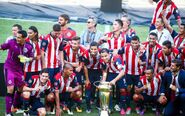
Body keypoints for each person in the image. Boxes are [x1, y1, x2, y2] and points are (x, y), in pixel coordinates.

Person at [0, 30, 35, 116]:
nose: (17, 39)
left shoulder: (29, 46)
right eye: (16, 37)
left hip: (19, 70)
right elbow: (1, 47)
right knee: (10, 89)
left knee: (20, 89)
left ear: (24, 38)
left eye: (19, 37)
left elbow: (32, 57)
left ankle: (14, 106)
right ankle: (7, 113)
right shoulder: (11, 42)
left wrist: (27, 59)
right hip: (9, 68)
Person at [118, 35, 146, 114]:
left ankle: (138, 107)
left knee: (138, 91)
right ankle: (128, 107)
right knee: (128, 90)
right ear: (130, 43)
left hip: (138, 74)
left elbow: (145, 62)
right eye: (132, 43)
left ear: (138, 43)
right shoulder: (126, 47)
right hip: (128, 73)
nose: (134, 45)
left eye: (136, 43)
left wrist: (141, 62)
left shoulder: (142, 50)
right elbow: (118, 53)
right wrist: (121, 63)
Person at [62, 36, 86, 112]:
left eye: (75, 44)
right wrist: (73, 64)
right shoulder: (66, 49)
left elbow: (81, 63)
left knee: (79, 87)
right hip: (68, 69)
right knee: (66, 85)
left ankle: (78, 104)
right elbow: (64, 61)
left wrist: (79, 65)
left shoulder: (83, 50)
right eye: (72, 43)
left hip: (78, 71)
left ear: (79, 44)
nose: (73, 45)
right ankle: (65, 102)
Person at [100, 48, 127, 115]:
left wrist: (114, 80)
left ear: (109, 54)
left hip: (120, 73)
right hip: (111, 73)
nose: (104, 58)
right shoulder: (102, 60)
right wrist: (103, 81)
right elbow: (105, 71)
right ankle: (109, 108)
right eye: (102, 56)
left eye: (106, 56)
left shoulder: (116, 58)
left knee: (122, 90)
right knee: (107, 89)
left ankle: (122, 107)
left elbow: (123, 72)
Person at [82, 41, 102, 113]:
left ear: (98, 49)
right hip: (89, 71)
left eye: (95, 49)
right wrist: (87, 79)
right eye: (92, 49)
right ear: (89, 49)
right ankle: (88, 107)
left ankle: (98, 104)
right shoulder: (86, 54)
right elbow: (85, 67)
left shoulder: (101, 53)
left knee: (100, 88)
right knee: (88, 87)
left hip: (98, 71)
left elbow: (104, 65)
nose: (93, 51)